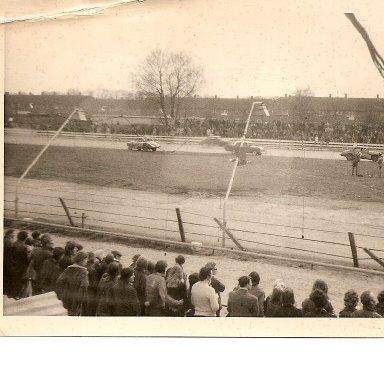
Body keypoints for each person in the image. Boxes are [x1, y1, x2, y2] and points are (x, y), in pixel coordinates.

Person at [55, 251, 89, 316]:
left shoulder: (68, 269)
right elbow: (84, 286)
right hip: (76, 300)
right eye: (86, 259)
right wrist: (79, 299)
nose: (87, 261)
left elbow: (59, 281)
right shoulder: (83, 272)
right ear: (82, 260)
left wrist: (61, 294)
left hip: (66, 298)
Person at [7, 230, 29, 299]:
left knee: (13, 284)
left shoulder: (13, 244)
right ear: (25, 238)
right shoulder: (23, 247)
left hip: (11, 267)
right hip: (19, 269)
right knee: (20, 286)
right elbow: (26, 261)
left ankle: (12, 296)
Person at [3, 229, 15, 297]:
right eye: (13, 233)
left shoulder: (4, 239)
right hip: (7, 264)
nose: (14, 235)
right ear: (10, 233)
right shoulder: (10, 242)